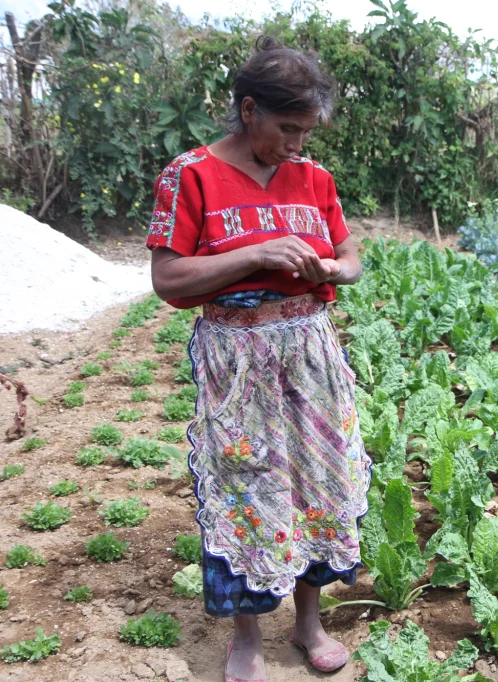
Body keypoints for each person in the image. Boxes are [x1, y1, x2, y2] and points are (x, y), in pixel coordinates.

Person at [147, 36, 371, 682]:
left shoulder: (315, 179)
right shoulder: (190, 176)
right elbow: (169, 279)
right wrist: (257, 254)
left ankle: (308, 623)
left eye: (306, 130)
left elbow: (352, 258)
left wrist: (332, 267)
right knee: (246, 485)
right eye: (287, 128)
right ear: (249, 110)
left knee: (321, 483)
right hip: (237, 356)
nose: (297, 144)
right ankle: (245, 637)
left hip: (308, 350)